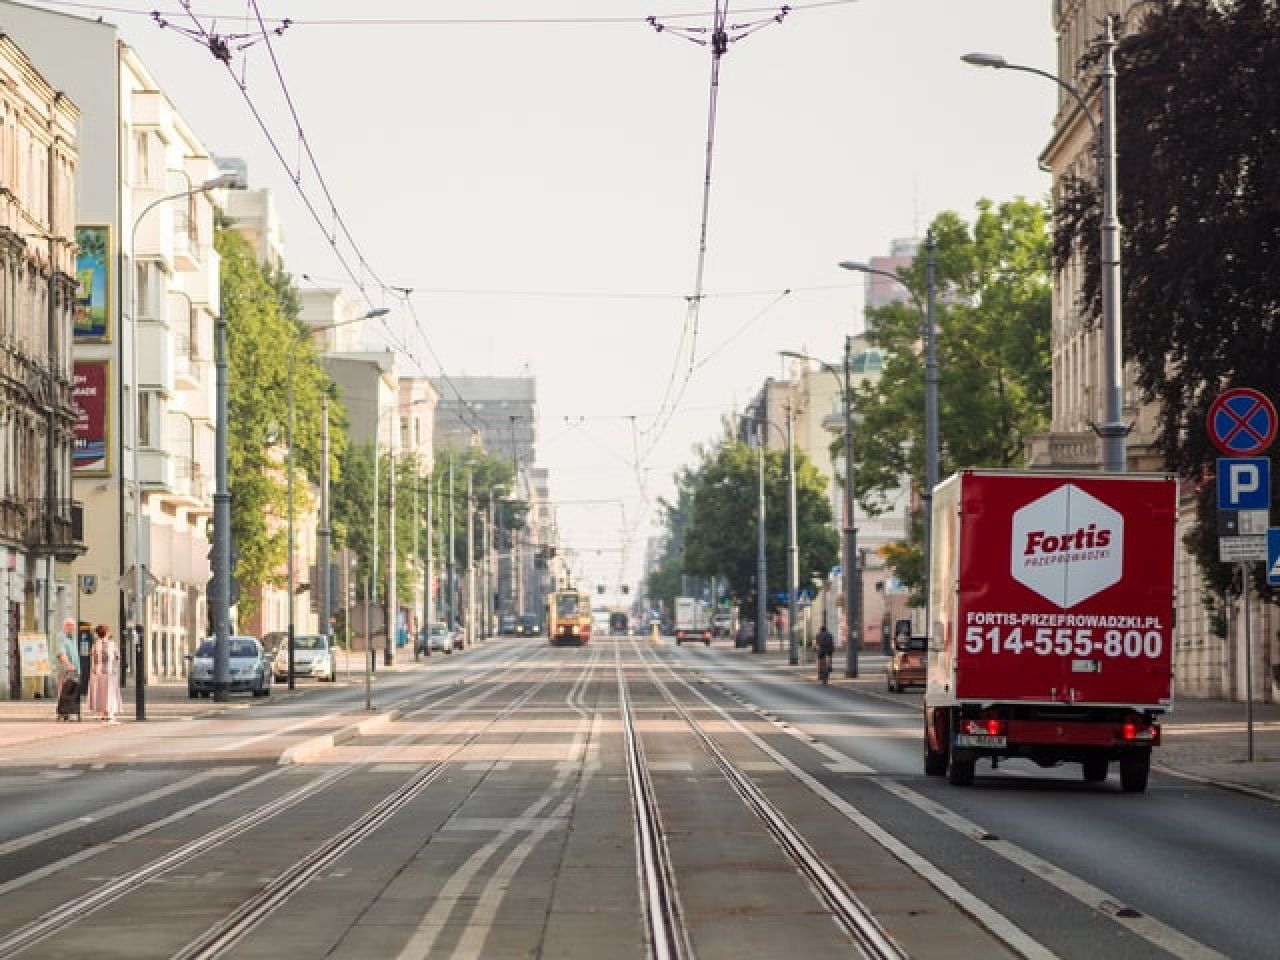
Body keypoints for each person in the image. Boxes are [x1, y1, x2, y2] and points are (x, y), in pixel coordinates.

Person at [87, 624, 122, 722]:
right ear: (106, 633)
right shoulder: (112, 644)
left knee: (100, 694)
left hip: (97, 673)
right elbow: (117, 657)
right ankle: (109, 714)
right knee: (110, 694)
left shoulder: (95, 645)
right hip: (110, 673)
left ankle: (102, 713)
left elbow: (92, 659)